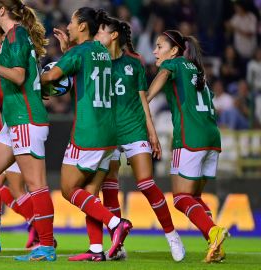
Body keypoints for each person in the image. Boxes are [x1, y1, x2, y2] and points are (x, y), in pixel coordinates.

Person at [42, 7, 133, 262]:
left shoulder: (81, 52)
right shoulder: (102, 52)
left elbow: (53, 75)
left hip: (88, 131)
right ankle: (96, 249)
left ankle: (115, 223)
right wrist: (67, 53)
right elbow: (80, 69)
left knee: (69, 189)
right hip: (109, 133)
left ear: (82, 26)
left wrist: (35, 80)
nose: (68, 26)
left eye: (71, 22)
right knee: (90, 194)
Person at [92, 16, 185, 261]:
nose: (96, 35)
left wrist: (152, 132)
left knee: (146, 183)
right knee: (109, 189)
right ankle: (118, 243)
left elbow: (143, 99)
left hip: (134, 129)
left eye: (101, 31)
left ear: (113, 36)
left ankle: (172, 236)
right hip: (109, 132)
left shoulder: (135, 62)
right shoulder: (95, 60)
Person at [0, 0, 56, 261]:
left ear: (2, 10)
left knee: (35, 185)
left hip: (26, 119)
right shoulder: (14, 36)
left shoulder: (17, 35)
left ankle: (46, 246)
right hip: (14, 121)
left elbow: (19, 76)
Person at [146, 29, 229, 263]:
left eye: (159, 46)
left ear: (174, 51)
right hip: (212, 137)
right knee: (195, 196)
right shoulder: (197, 69)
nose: (155, 51)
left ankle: (214, 232)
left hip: (190, 137)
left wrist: (142, 99)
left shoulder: (174, 65)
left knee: (181, 198)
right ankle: (215, 244)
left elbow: (155, 87)